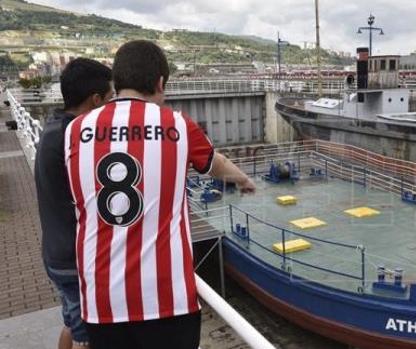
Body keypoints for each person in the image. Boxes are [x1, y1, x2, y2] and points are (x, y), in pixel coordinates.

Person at [64, 40, 256, 349]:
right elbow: (215, 164)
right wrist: (244, 180)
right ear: (160, 82)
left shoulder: (76, 130)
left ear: (118, 81)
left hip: (102, 301)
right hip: (167, 299)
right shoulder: (178, 125)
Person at [35, 58, 114, 349]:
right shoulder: (74, 139)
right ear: (95, 100)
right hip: (73, 259)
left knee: (71, 322)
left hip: (56, 252)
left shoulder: (56, 127)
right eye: (110, 98)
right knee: (86, 338)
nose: (113, 105)